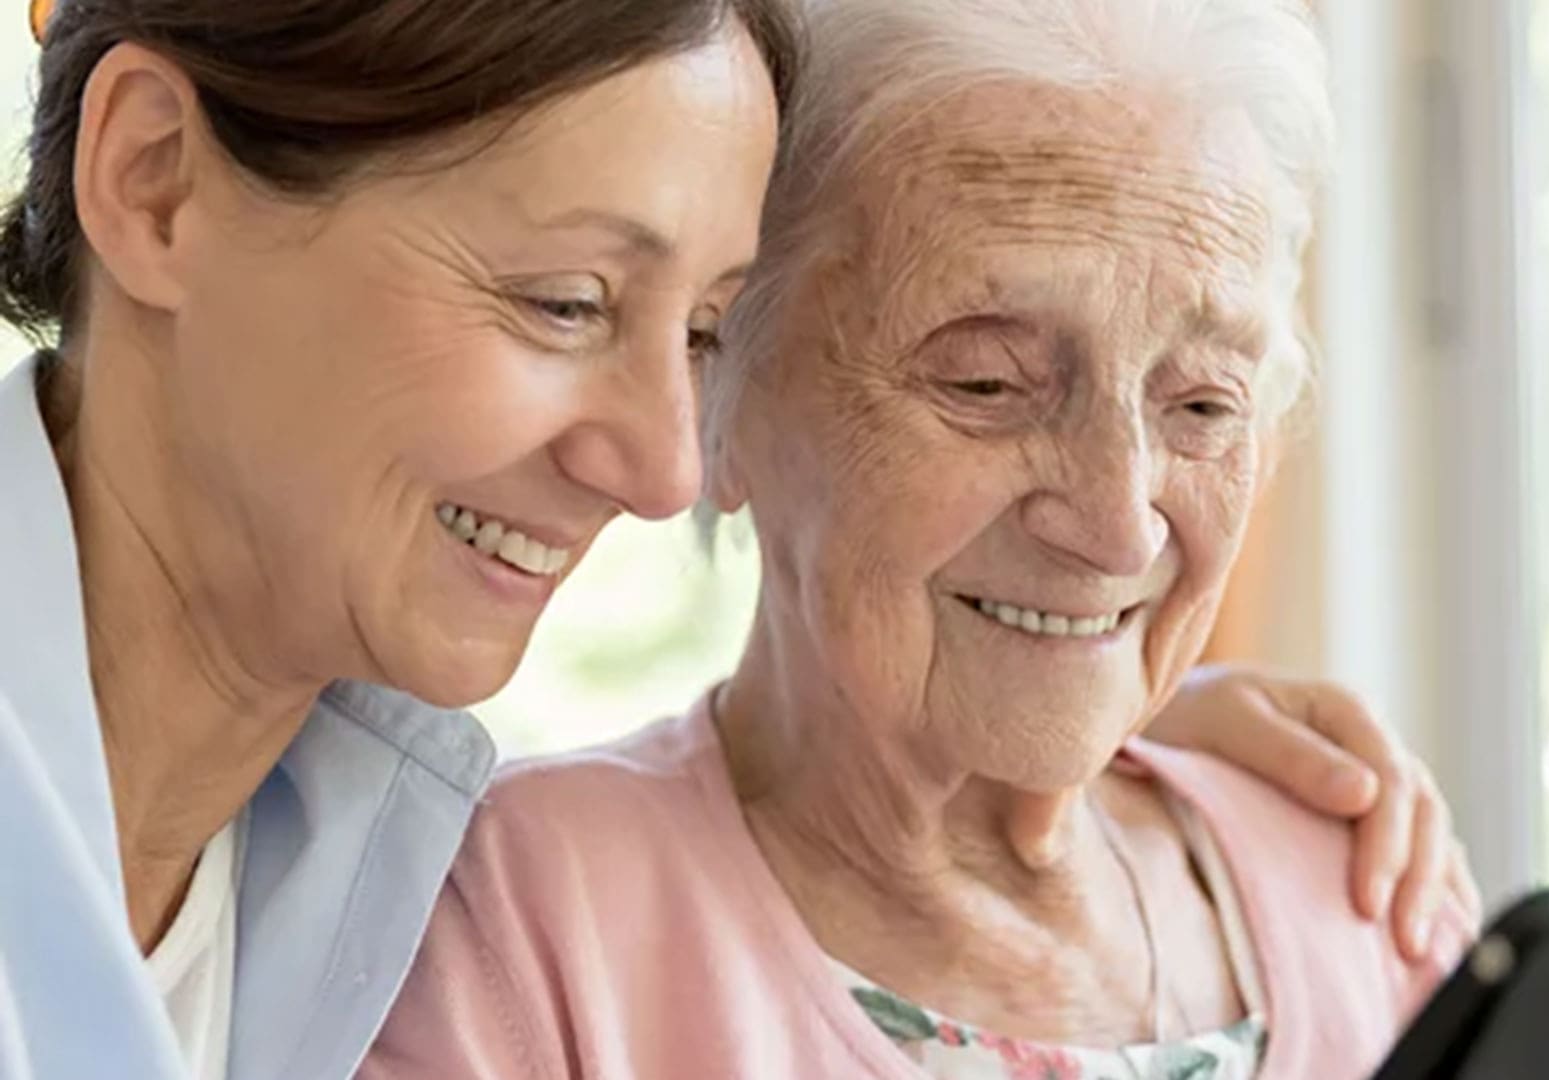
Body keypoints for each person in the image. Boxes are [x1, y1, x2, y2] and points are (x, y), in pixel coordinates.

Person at [0, 1, 1472, 1077]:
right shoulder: (494, 908)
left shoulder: (329, 823)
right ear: (155, 180)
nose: (664, 464)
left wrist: (1103, 718)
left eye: (703, 332)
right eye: (565, 301)